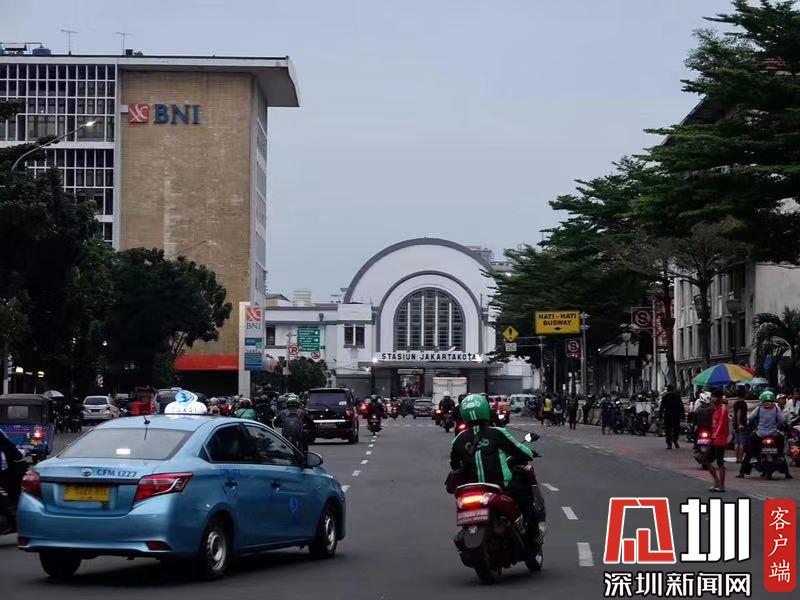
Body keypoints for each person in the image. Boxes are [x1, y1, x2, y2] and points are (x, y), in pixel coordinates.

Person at [450, 394, 540, 543]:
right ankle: (532, 535)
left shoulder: (458, 440)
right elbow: (520, 451)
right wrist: (531, 453)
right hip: (501, 487)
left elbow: (454, 465)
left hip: (471, 490)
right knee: (525, 496)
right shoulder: (497, 433)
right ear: (485, 410)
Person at [737, 390, 792, 479]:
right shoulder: (776, 408)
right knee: (781, 451)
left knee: (749, 451)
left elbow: (750, 418)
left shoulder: (759, 408)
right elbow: (781, 421)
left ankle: (743, 472)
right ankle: (787, 473)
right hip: (774, 434)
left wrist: (746, 420)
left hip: (760, 434)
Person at [707, 390, 729, 493]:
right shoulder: (714, 410)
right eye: (712, 397)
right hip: (714, 439)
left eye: (714, 397)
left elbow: (720, 425)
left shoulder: (723, 410)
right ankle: (716, 481)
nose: (712, 399)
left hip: (719, 440)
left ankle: (722, 485)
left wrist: (714, 436)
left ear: (719, 398)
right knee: (707, 461)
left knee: (720, 463)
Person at [660, 384, 685, 449]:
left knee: (668, 430)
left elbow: (662, 407)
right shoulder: (677, 396)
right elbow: (681, 406)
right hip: (676, 415)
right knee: (676, 428)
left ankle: (669, 444)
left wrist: (660, 416)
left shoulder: (665, 397)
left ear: (667, 390)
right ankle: (675, 440)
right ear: (673, 389)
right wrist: (683, 416)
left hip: (667, 415)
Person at [732, 389, 749, 463]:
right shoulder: (743, 404)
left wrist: (735, 422)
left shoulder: (735, 403)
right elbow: (739, 413)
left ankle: (737, 458)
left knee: (737, 441)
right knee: (742, 442)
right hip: (741, 424)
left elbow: (734, 414)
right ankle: (740, 459)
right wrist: (740, 424)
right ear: (744, 394)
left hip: (736, 424)